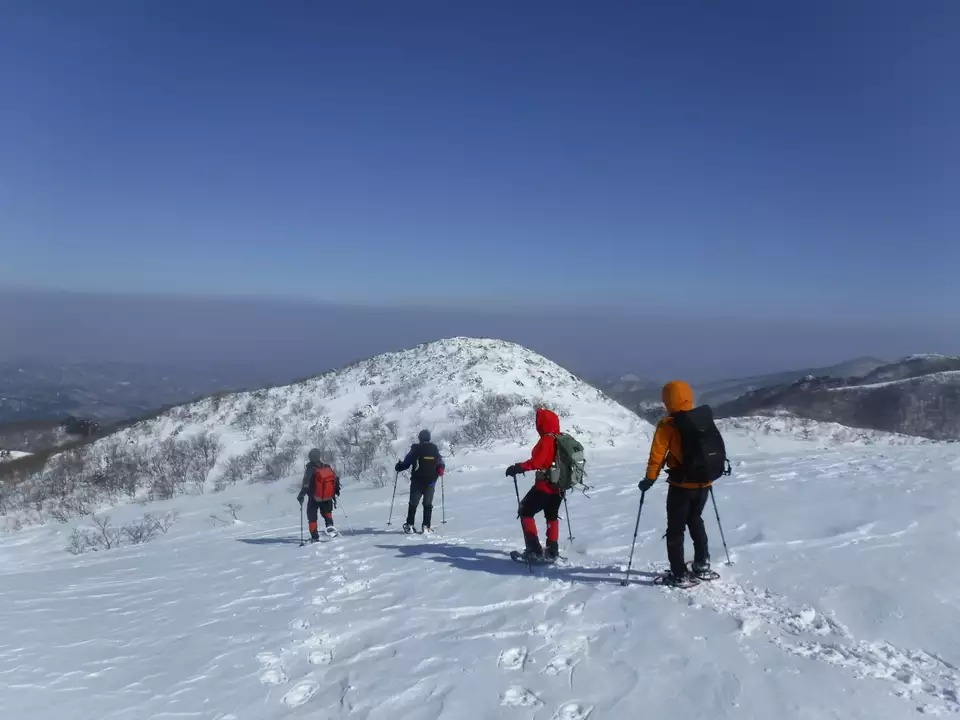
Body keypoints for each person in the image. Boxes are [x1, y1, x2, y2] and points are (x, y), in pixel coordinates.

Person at [638, 381, 714, 585]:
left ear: (669, 400)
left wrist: (649, 479)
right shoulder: (702, 418)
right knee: (695, 519)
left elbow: (657, 456)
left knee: (675, 528)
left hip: (681, 486)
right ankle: (702, 563)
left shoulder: (668, 425)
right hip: (704, 483)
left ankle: (679, 573)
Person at [505, 408, 563, 563]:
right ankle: (552, 550)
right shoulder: (561, 438)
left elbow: (537, 462)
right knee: (551, 515)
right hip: (560, 487)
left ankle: (534, 550)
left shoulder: (547, 440)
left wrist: (518, 467)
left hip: (545, 486)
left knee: (525, 510)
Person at [395, 429, 445, 534]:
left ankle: (410, 525)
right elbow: (440, 462)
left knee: (413, 504)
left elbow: (407, 463)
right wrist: (440, 470)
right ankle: (426, 526)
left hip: (417, 481)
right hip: (431, 481)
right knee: (427, 504)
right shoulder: (434, 449)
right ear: (429, 438)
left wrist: (399, 466)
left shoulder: (416, 449)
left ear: (420, 438)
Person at [297, 449, 341, 541]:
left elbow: (306, 484)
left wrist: (301, 495)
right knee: (327, 513)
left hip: (314, 498)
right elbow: (335, 480)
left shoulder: (310, 469)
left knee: (312, 517)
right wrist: (336, 491)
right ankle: (330, 527)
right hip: (327, 497)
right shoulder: (326, 466)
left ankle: (315, 537)